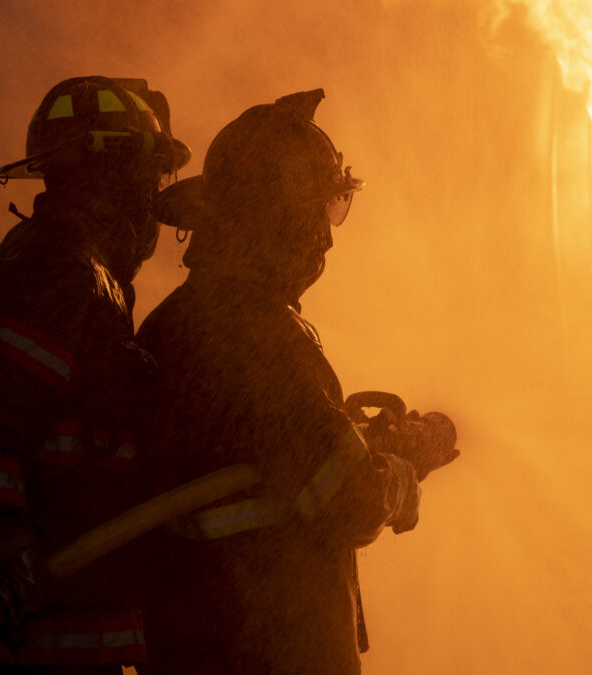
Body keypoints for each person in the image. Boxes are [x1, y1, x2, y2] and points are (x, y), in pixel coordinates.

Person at [137, 89, 458, 674]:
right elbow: (344, 497)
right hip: (265, 648)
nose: (329, 237)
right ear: (276, 219)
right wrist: (400, 473)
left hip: (209, 644)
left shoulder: (184, 321)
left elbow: (282, 462)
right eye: (320, 212)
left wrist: (368, 446)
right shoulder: (252, 330)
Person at [0, 76, 190, 672]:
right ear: (111, 172)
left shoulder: (85, 273)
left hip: (71, 634)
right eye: (150, 177)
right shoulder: (56, 267)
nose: (156, 201)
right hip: (30, 643)